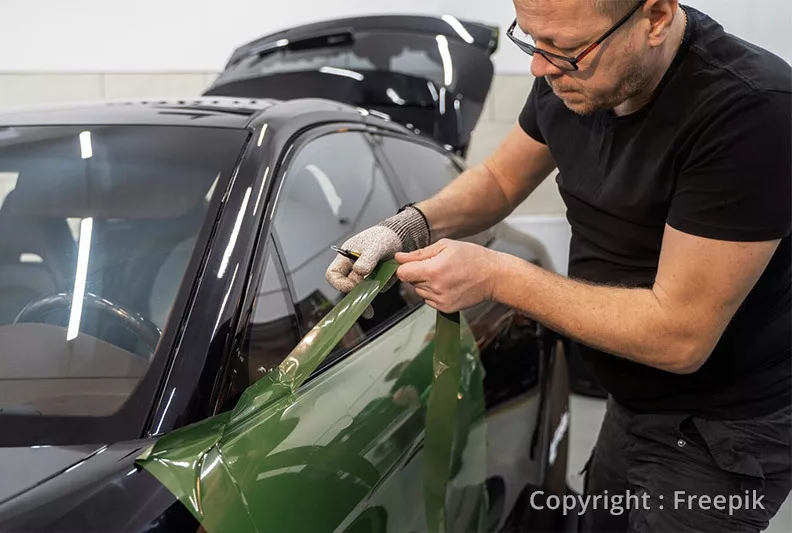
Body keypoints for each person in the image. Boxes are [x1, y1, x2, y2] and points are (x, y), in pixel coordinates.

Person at [326, 0, 791, 531]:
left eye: (565, 50)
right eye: (532, 39)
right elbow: (500, 180)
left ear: (656, 18)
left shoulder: (749, 110)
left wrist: (495, 275)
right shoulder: (573, 70)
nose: (539, 67)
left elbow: (678, 336)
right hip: (631, 401)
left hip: (722, 428)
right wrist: (409, 225)